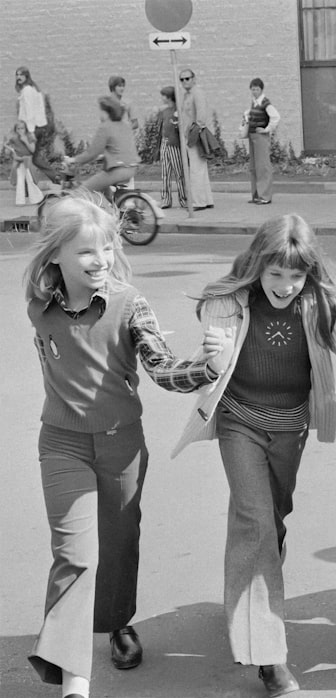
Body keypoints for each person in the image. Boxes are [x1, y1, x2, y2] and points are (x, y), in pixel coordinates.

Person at [23, 192, 232, 698]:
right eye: (87, 252)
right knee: (76, 555)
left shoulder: (129, 302)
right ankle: (75, 681)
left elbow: (160, 367)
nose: (102, 261)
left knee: (117, 546)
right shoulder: (40, 306)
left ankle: (117, 622)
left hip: (122, 446)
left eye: (108, 249)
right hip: (61, 445)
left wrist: (205, 366)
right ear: (56, 256)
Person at [172, 214, 336, 698]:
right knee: (254, 522)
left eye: (296, 275)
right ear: (257, 265)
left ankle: (250, 593)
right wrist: (211, 355)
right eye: (276, 274)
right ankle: (270, 656)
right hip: (239, 423)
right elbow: (215, 353)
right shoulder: (229, 300)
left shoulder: (319, 303)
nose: (286, 286)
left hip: (289, 430)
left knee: (273, 519)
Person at [64, 96, 140, 202]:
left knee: (81, 192)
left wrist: (73, 160)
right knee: (104, 191)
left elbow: (91, 153)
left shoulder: (105, 127)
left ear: (106, 112)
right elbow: (120, 147)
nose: (99, 114)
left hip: (118, 170)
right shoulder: (125, 125)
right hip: (132, 168)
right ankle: (112, 210)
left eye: (100, 111)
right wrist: (103, 155)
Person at [14, 66, 61, 184]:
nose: (18, 77)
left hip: (33, 128)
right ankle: (56, 178)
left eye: (21, 75)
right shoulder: (33, 89)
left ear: (26, 76)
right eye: (17, 75)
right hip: (38, 127)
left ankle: (29, 186)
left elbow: (30, 112)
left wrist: (30, 131)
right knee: (35, 158)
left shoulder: (27, 91)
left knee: (26, 156)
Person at [177, 67, 214, 211]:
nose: (185, 81)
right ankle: (207, 199)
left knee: (196, 170)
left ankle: (199, 202)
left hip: (195, 134)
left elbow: (201, 116)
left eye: (187, 78)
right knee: (200, 168)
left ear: (194, 79)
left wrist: (193, 132)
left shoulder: (197, 93)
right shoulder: (187, 94)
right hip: (190, 133)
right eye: (182, 79)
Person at [242, 77, 280, 205]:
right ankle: (256, 194)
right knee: (254, 167)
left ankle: (265, 196)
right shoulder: (254, 102)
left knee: (263, 166)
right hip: (252, 135)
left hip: (260, 137)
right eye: (252, 89)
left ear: (261, 89)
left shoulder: (265, 103)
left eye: (257, 89)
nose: (254, 92)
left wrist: (266, 129)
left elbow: (275, 117)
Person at [154, 86, 187, 209]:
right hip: (164, 143)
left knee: (179, 173)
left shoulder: (177, 111)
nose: (161, 98)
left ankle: (183, 198)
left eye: (163, 96)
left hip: (174, 145)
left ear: (169, 97)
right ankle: (166, 199)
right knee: (165, 173)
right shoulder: (164, 111)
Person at [6, 120, 44, 205]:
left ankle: (37, 198)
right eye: (18, 129)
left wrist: (25, 141)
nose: (20, 130)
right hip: (18, 161)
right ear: (15, 130)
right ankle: (20, 201)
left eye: (22, 128)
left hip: (28, 160)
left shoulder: (30, 137)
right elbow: (7, 145)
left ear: (25, 129)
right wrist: (12, 152)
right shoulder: (14, 138)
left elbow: (33, 150)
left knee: (30, 179)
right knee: (20, 180)